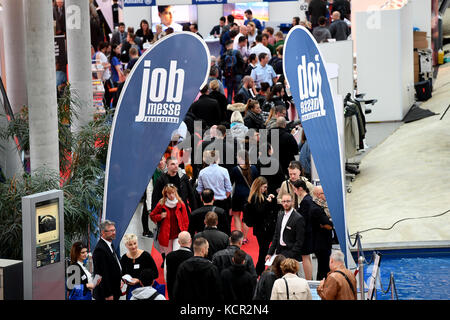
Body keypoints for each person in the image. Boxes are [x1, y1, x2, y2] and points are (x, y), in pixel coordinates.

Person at [244, 177, 279, 276]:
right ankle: (258, 271)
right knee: (264, 250)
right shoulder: (255, 197)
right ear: (258, 186)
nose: (265, 189)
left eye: (266, 187)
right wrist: (267, 202)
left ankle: (260, 270)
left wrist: (271, 200)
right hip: (262, 229)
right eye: (264, 187)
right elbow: (260, 212)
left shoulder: (260, 196)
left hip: (264, 228)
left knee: (264, 250)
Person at [173, 237, 223, 302]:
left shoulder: (183, 266)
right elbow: (217, 291)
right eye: (207, 248)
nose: (208, 250)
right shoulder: (212, 268)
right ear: (203, 250)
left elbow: (177, 290)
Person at [150, 184, 190, 262]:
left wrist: (184, 232)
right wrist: (160, 216)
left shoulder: (180, 204)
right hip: (166, 236)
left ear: (175, 192)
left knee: (176, 255)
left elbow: (186, 220)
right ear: (165, 194)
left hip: (177, 235)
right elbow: (152, 216)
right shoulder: (161, 204)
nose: (171, 195)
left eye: (173, 192)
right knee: (168, 258)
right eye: (169, 193)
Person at [230, 150, 260, 243]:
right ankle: (245, 237)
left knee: (236, 216)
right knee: (246, 218)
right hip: (250, 195)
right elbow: (257, 182)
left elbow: (231, 182)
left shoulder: (235, 169)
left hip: (238, 195)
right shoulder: (254, 168)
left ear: (240, 158)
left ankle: (239, 237)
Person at [265, 193, 305, 263]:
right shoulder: (280, 215)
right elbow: (276, 235)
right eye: (283, 201)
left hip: (291, 254)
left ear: (292, 202)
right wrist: (270, 253)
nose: (285, 203)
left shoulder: (298, 218)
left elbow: (299, 241)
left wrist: (290, 256)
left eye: (288, 201)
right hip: (279, 251)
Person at [120, 234, 158, 300]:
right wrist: (124, 280)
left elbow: (155, 273)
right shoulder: (124, 258)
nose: (133, 246)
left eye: (135, 243)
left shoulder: (145, 256)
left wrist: (139, 280)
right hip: (131, 289)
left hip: (145, 289)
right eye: (130, 245)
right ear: (126, 245)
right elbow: (122, 273)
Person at [92, 220, 124, 300]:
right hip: (107, 294)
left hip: (114, 289)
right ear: (103, 232)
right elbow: (102, 274)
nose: (114, 232)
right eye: (111, 231)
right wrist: (108, 294)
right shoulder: (100, 250)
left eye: (114, 230)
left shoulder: (109, 244)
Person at [196, 150, 233, 216]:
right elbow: (229, 189)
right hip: (222, 201)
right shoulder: (224, 171)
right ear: (218, 159)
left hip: (208, 201)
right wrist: (223, 196)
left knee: (209, 222)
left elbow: (199, 190)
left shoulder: (202, 172)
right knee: (222, 223)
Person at [291, 180, 314, 280]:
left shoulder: (306, 201)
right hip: (307, 232)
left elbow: (303, 219)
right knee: (306, 257)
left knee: (305, 258)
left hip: (306, 233)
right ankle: (309, 279)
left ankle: (308, 280)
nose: (295, 192)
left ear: (300, 189)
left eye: (295, 190)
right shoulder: (307, 199)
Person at [312, 186, 334, 280]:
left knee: (324, 266)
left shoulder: (325, 205)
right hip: (321, 243)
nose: (325, 195)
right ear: (317, 195)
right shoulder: (316, 208)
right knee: (323, 267)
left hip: (326, 241)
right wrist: (328, 223)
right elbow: (328, 224)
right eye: (323, 193)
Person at [164, 231, 193, 300]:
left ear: (178, 242)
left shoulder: (169, 256)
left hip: (173, 290)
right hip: (189, 292)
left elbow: (165, 275)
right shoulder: (193, 257)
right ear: (191, 241)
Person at [220, 40, 245, 104]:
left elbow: (221, 66)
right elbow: (242, 62)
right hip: (237, 75)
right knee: (237, 93)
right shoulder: (237, 52)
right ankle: (238, 108)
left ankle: (229, 109)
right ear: (231, 45)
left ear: (226, 47)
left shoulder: (224, 54)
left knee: (229, 93)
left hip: (228, 76)